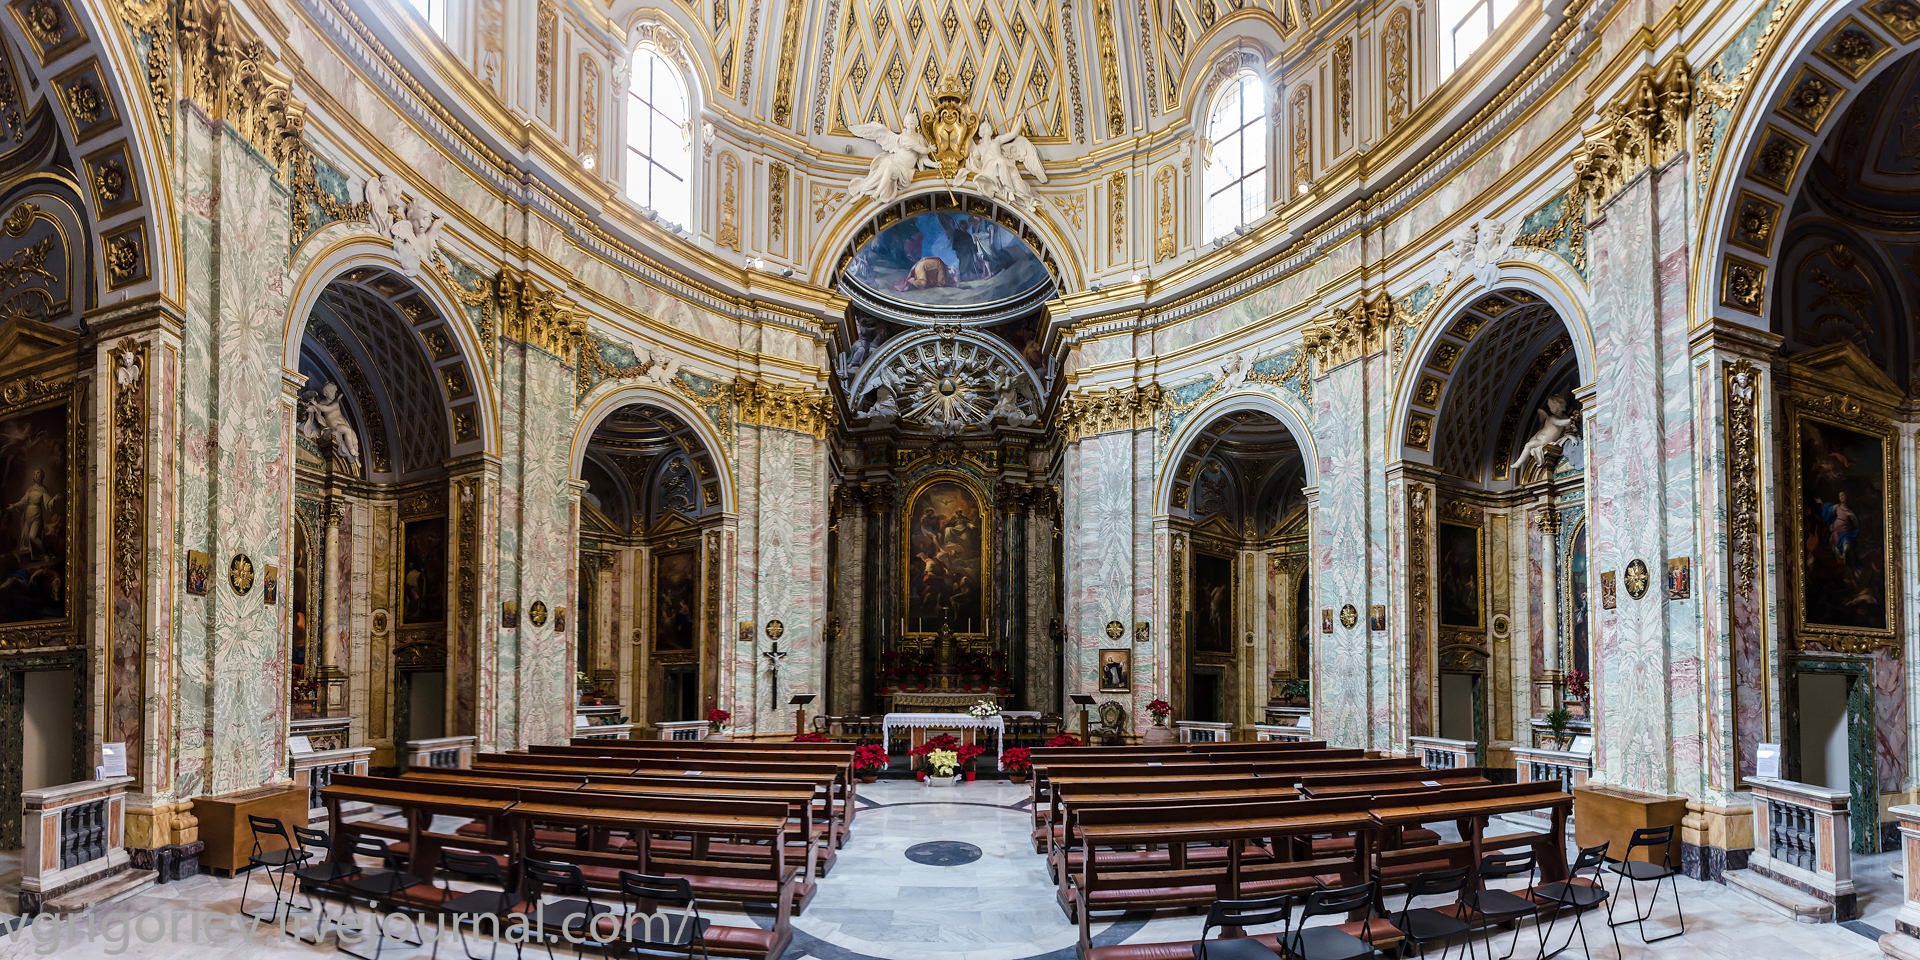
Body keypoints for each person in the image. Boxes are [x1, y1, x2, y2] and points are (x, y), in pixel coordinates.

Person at [8, 468, 56, 560]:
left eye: (38, 473)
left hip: (37, 515)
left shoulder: (44, 489)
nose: (35, 475)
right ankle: (34, 556)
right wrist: (14, 505)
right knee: (26, 538)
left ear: (42, 476)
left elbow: (48, 502)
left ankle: (44, 555)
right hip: (27, 515)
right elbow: (23, 501)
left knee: (33, 537)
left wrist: (53, 500)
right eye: (34, 474)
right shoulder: (30, 489)